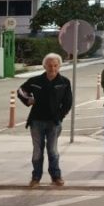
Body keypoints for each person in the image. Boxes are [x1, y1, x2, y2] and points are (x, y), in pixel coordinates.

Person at [17, 53, 72, 188]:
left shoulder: (64, 82)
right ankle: (36, 177)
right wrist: (28, 100)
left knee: (52, 150)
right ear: (44, 66)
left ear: (59, 66)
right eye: (50, 65)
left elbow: (67, 103)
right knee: (37, 151)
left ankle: (56, 176)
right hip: (36, 121)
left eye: (55, 65)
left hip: (54, 122)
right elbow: (21, 91)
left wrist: (59, 117)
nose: (52, 68)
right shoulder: (35, 81)